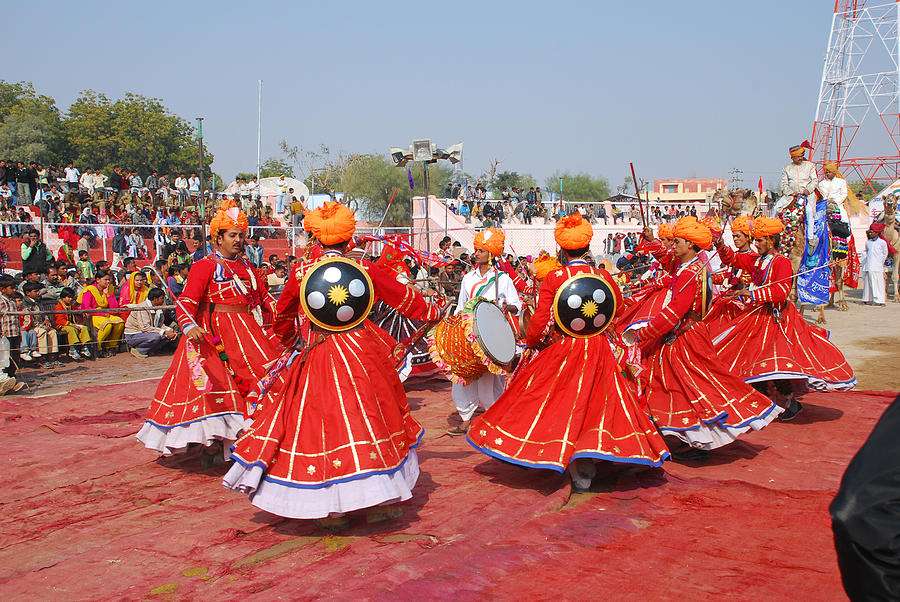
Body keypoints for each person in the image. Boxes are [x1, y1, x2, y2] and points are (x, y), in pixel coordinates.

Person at [223, 201, 443, 522]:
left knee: (321, 423)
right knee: (368, 416)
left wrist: (289, 341)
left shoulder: (301, 272)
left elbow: (282, 315)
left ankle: (330, 505)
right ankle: (373, 498)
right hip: (361, 352)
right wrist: (434, 313)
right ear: (347, 238)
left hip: (318, 352)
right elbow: (403, 296)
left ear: (315, 238)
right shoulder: (364, 268)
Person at [468, 213, 669, 490]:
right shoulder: (602, 276)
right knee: (599, 401)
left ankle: (560, 452)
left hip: (565, 348)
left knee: (556, 401)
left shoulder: (555, 277)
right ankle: (592, 454)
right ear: (588, 248)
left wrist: (534, 341)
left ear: (561, 250)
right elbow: (618, 310)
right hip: (599, 348)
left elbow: (539, 321)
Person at [623, 217, 781, 458]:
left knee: (689, 385)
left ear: (690, 244)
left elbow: (675, 311)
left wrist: (644, 334)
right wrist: (653, 242)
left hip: (683, 337)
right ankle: (678, 433)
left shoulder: (690, 272)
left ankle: (692, 437)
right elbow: (667, 264)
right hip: (686, 333)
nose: (673, 246)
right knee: (683, 384)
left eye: (677, 242)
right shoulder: (690, 267)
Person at [136, 199, 283, 458]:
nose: (238, 240)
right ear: (218, 238)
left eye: (241, 235)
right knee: (219, 388)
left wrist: (289, 313)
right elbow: (187, 303)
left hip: (249, 333)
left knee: (267, 378)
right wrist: (189, 326)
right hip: (216, 336)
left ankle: (255, 440)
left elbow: (264, 300)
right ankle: (225, 443)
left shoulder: (248, 267)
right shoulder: (205, 266)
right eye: (232, 235)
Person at [712, 217, 857, 420]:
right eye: (756, 240)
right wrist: (719, 243)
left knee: (774, 364)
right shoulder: (757, 260)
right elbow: (733, 260)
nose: (756, 244)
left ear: (771, 240)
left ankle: (790, 403)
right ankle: (764, 401)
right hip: (758, 316)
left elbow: (781, 291)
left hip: (777, 319)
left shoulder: (781, 263)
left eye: (760, 240)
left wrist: (752, 294)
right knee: (752, 359)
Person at [448, 228, 521, 435]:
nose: (476, 254)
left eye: (481, 250)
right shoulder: (468, 278)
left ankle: (494, 416)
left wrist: (509, 308)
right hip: (469, 332)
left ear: (491, 253)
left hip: (492, 335)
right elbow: (461, 305)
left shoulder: (503, 279)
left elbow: (517, 304)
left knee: (491, 379)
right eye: (476, 250)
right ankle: (466, 419)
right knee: (464, 376)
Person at [78, 269, 125, 357]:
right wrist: (102, 314)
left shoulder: (109, 289)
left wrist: (108, 295)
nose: (108, 281)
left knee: (120, 322)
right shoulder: (89, 290)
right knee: (107, 324)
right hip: (93, 315)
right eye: (105, 279)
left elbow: (114, 308)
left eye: (109, 279)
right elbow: (86, 308)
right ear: (98, 280)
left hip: (106, 314)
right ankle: (97, 347)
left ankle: (111, 347)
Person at [125, 288, 177, 358]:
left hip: (147, 333)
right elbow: (145, 328)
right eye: (162, 298)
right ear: (155, 299)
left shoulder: (157, 307)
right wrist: (164, 332)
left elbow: (160, 325)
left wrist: (169, 330)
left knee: (169, 334)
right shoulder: (142, 308)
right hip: (133, 335)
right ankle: (139, 350)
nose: (163, 301)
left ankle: (150, 350)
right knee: (156, 336)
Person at [55, 287, 92, 361]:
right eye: (68, 297)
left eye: (71, 297)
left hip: (71, 323)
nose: (70, 299)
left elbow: (76, 311)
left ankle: (84, 347)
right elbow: (60, 320)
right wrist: (72, 325)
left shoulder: (71, 305)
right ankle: (72, 349)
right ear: (63, 297)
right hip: (62, 325)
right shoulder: (58, 306)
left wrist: (82, 312)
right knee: (71, 329)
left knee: (83, 328)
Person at [862, 223, 889, 306]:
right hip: (868, 265)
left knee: (878, 283)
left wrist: (880, 263)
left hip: (877, 266)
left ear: (877, 233)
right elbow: (866, 252)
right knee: (867, 283)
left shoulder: (882, 242)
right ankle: (867, 299)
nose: (870, 233)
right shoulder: (868, 242)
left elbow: (885, 253)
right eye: (870, 232)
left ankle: (880, 301)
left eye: (872, 232)